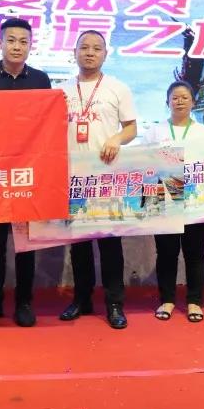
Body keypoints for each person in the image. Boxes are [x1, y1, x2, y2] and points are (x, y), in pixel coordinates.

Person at [0, 17, 52, 328]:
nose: (17, 46)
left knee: (25, 243)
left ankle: (24, 303)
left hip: (27, 173)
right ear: (0, 43)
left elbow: (46, 126)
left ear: (31, 46)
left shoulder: (41, 80)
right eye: (11, 40)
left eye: (23, 41)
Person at [57, 30, 138, 329]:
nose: (90, 53)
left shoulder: (117, 88)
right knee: (79, 244)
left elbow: (131, 128)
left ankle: (115, 303)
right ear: (74, 52)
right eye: (84, 47)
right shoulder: (61, 91)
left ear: (105, 54)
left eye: (96, 48)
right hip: (73, 176)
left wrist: (116, 138)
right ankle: (82, 299)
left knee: (109, 243)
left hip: (106, 175)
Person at [142, 80, 204, 322]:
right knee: (166, 253)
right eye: (175, 97)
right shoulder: (154, 132)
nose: (180, 101)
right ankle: (167, 299)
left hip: (196, 202)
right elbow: (142, 163)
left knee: (195, 253)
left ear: (193, 102)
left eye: (185, 97)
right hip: (164, 201)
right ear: (167, 102)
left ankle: (195, 302)